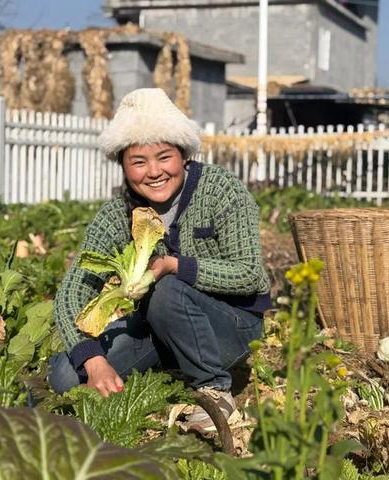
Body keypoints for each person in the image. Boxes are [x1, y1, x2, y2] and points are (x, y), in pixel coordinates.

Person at [49, 88, 271, 432]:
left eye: (163, 157)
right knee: (66, 375)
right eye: (138, 161)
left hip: (230, 326)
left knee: (167, 289)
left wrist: (174, 266)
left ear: (183, 155)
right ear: (123, 167)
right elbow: (71, 293)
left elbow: (249, 275)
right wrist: (93, 361)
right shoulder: (118, 214)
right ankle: (169, 368)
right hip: (162, 327)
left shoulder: (220, 189)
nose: (153, 172)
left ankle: (214, 391)